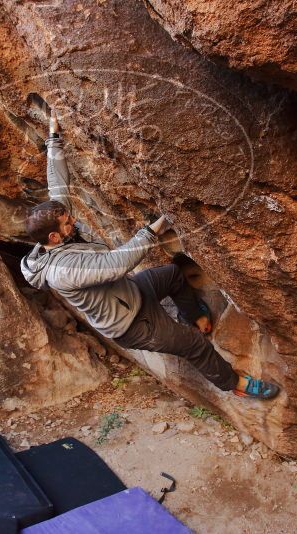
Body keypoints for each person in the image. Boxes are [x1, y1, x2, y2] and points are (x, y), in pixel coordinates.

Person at [20, 110, 279, 399]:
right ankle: (236, 384)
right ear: (54, 237)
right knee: (194, 345)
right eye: (68, 223)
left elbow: (59, 186)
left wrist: (54, 137)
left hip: (131, 294)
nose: (73, 222)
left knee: (171, 275)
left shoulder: (55, 233)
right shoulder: (62, 272)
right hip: (132, 324)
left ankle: (194, 315)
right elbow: (116, 264)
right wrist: (155, 227)